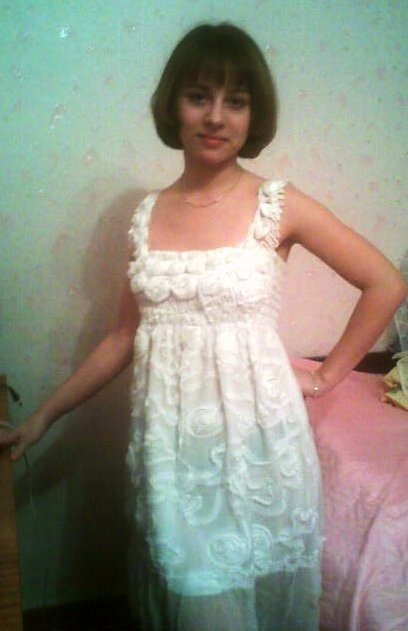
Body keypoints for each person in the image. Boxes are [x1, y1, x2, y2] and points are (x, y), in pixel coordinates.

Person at [1, 23, 406, 631]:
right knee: (192, 598)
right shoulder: (145, 217)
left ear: (253, 114)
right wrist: (43, 417)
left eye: (235, 101)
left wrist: (325, 377)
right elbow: (121, 339)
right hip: (172, 452)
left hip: (259, 452)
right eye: (199, 96)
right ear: (174, 106)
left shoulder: (280, 204)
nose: (216, 116)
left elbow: (385, 283)